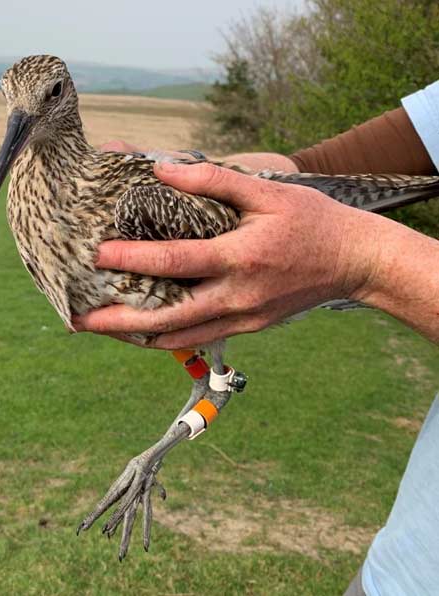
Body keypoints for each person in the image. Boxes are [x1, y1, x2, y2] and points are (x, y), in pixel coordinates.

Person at [72, 84, 439, 595]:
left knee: (213, 386)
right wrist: (219, 178)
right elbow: (394, 146)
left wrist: (362, 261)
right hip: (401, 568)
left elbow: (348, 242)